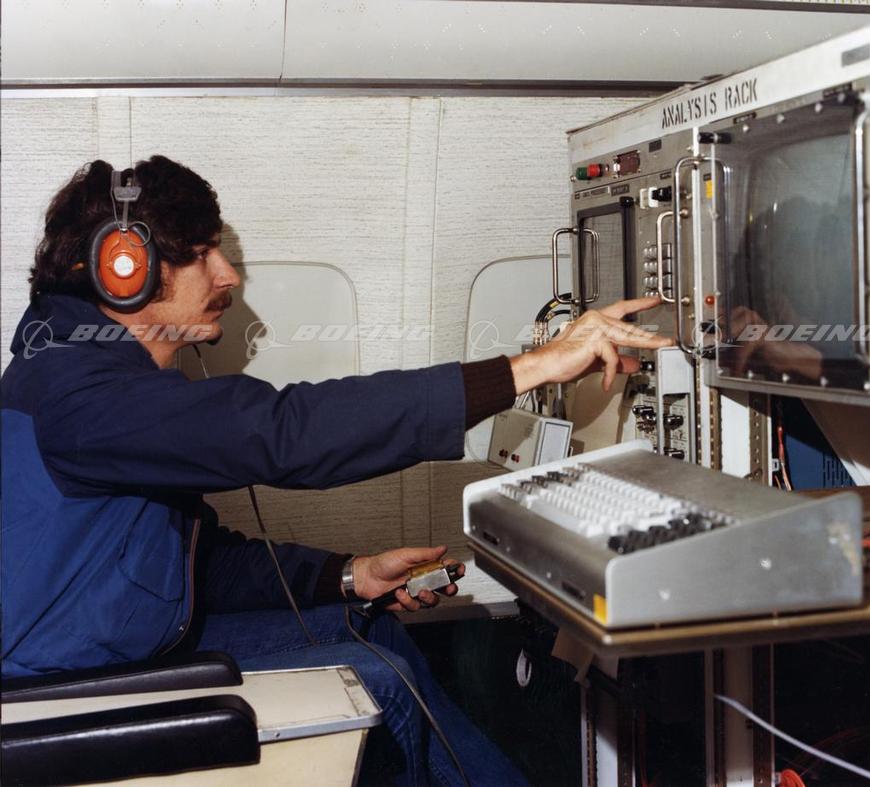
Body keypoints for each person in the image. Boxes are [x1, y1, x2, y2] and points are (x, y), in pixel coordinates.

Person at [0, 156, 671, 785]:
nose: (228, 277)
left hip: (118, 648)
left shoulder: (88, 377)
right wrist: (533, 367)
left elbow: (188, 568)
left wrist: (349, 575)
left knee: (366, 628)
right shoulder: (78, 395)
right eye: (203, 252)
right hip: (56, 693)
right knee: (376, 682)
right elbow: (285, 432)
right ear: (125, 268)